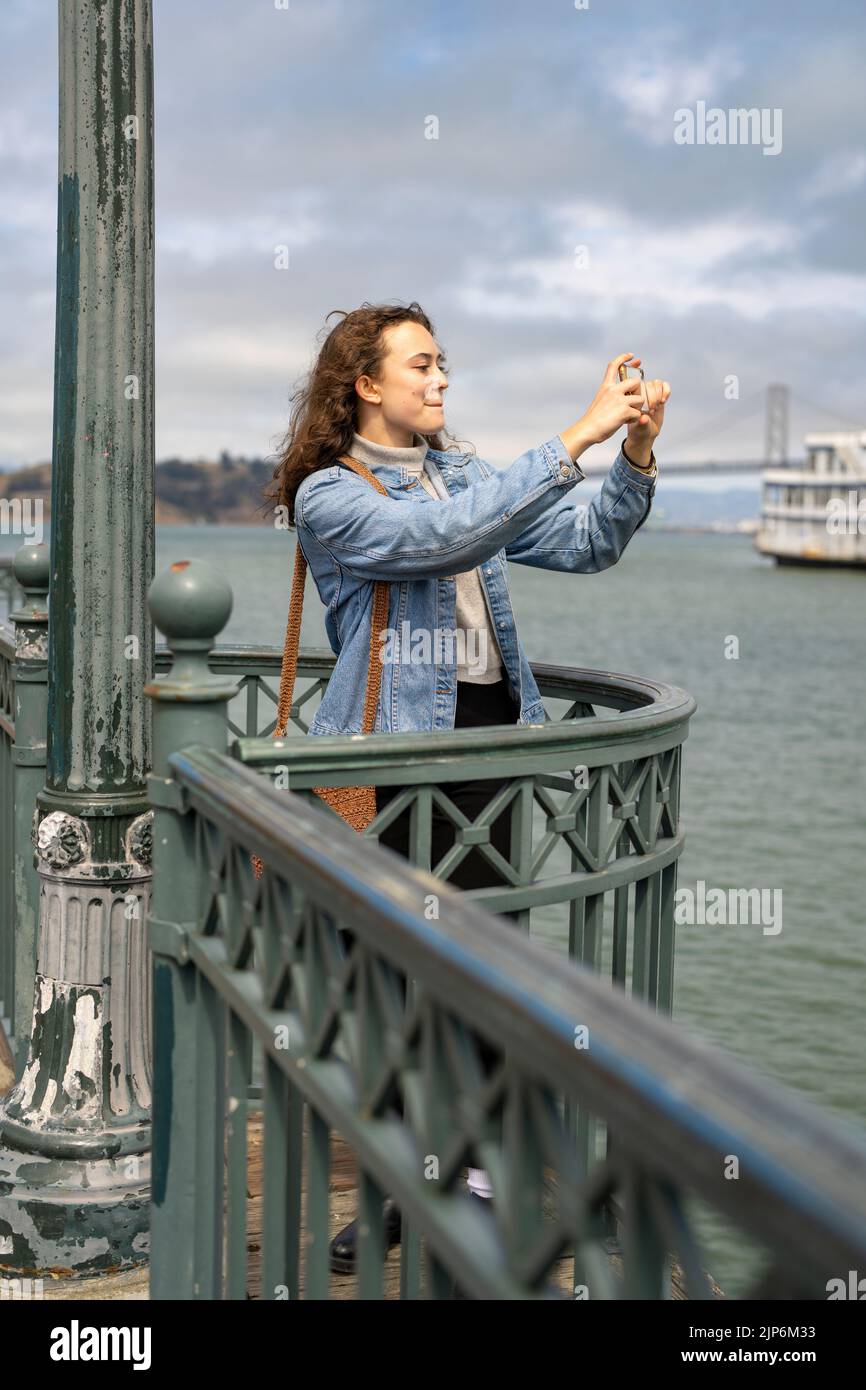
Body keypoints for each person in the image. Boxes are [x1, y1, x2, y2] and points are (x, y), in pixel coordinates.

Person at [263, 301, 670, 1276]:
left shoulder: (464, 473)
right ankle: (402, 1186)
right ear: (364, 383)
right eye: (421, 365)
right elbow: (436, 540)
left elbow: (581, 543)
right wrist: (574, 432)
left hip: (485, 751)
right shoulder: (331, 493)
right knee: (398, 982)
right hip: (393, 760)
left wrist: (635, 458)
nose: (441, 380)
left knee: (484, 966)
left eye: (443, 364)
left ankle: (478, 1179)